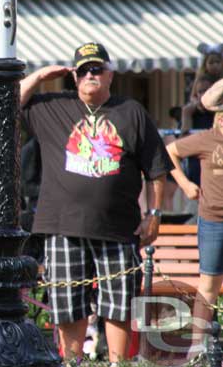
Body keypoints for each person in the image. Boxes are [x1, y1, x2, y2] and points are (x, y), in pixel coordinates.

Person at [19, 42, 172, 365]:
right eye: (84, 69)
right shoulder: (52, 105)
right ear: (74, 76)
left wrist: (155, 214)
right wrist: (41, 75)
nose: (91, 74)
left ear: (110, 74)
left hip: (118, 227)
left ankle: (117, 362)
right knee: (67, 303)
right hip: (62, 224)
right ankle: (73, 362)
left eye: (97, 69)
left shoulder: (130, 111)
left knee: (118, 304)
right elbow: (4, 106)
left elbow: (157, 170)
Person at [166, 112, 223, 349]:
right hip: (213, 220)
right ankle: (198, 350)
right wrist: (185, 183)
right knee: (208, 285)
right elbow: (170, 152)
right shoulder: (206, 139)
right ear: (219, 118)